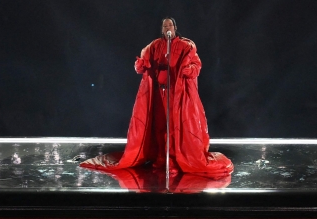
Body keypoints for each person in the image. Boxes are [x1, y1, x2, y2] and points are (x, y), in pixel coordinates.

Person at [80, 18, 233, 178]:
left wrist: (189, 69)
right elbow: (142, 65)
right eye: (165, 26)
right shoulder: (154, 46)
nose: (168, 28)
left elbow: (196, 65)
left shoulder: (186, 46)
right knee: (160, 126)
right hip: (159, 95)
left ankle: (175, 159)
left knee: (175, 127)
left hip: (177, 96)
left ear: (175, 28)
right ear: (162, 29)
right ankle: (161, 157)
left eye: (170, 25)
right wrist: (140, 65)